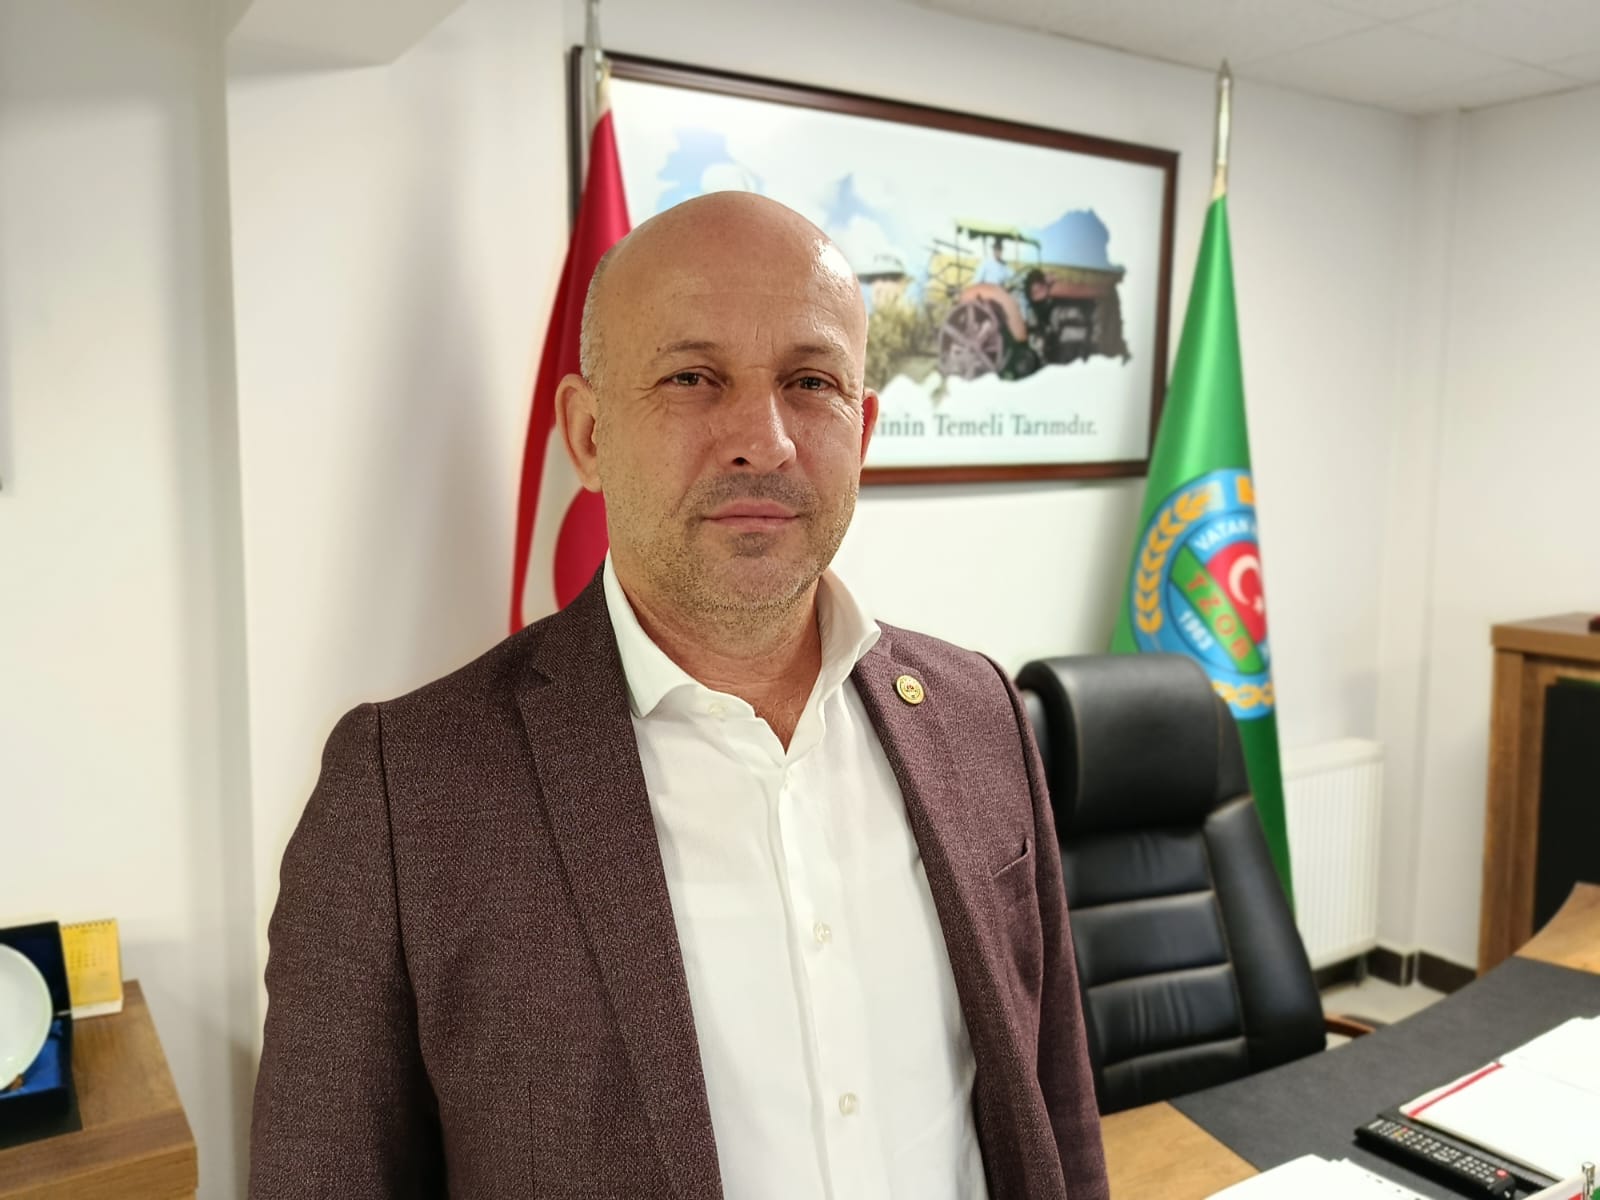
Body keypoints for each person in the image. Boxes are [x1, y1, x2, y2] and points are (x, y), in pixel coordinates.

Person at [248, 192, 1109, 1200]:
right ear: (589, 434)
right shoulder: (404, 794)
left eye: (811, 381)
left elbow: (1054, 1109)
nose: (764, 440)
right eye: (692, 377)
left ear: (864, 428)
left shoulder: (979, 713)